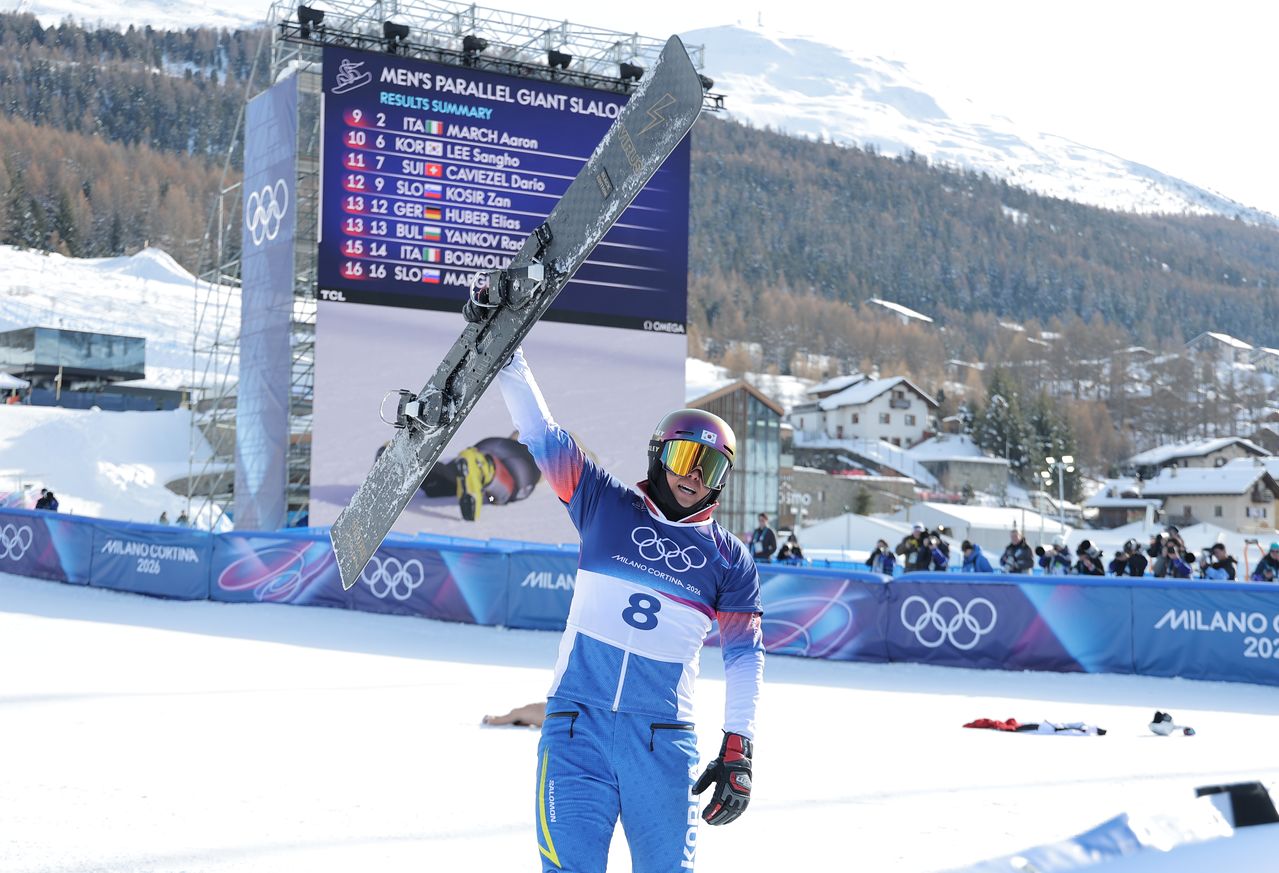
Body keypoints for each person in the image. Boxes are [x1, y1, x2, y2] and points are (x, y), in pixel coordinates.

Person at [496, 348, 764, 871]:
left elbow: (744, 660)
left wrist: (740, 747)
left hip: (663, 742)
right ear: (660, 455)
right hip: (577, 728)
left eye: (709, 467)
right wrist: (509, 359)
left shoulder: (730, 560)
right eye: (686, 457)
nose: (694, 475)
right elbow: (544, 437)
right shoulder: (603, 504)